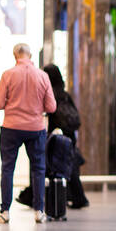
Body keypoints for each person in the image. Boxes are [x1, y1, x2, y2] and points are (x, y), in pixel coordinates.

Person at [0, 43, 56, 224]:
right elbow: (51, 106)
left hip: (11, 127)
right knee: (38, 169)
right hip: (36, 129)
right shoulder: (42, 76)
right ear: (30, 55)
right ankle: (39, 211)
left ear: (15, 56)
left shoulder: (8, 75)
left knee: (7, 169)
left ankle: (5, 211)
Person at [44, 64, 89, 209]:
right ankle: (76, 197)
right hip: (69, 136)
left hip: (57, 136)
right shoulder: (65, 94)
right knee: (70, 167)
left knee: (51, 166)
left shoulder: (51, 94)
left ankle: (58, 198)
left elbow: (50, 115)